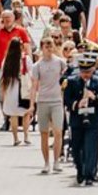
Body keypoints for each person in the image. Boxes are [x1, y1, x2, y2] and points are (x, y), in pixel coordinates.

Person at [64, 50, 98, 185]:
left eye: (88, 72)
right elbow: (66, 99)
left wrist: (95, 97)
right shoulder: (72, 82)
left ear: (93, 69)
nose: (86, 75)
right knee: (77, 148)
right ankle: (80, 170)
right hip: (77, 119)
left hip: (94, 119)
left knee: (91, 147)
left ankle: (90, 173)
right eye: (83, 72)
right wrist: (77, 103)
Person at [31, 34, 65, 174]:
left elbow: (66, 78)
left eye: (51, 45)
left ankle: (56, 161)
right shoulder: (37, 65)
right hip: (43, 101)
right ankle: (46, 162)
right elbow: (34, 85)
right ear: (42, 48)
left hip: (57, 101)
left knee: (58, 131)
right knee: (44, 133)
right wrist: (31, 104)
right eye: (46, 46)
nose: (49, 48)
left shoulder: (60, 62)